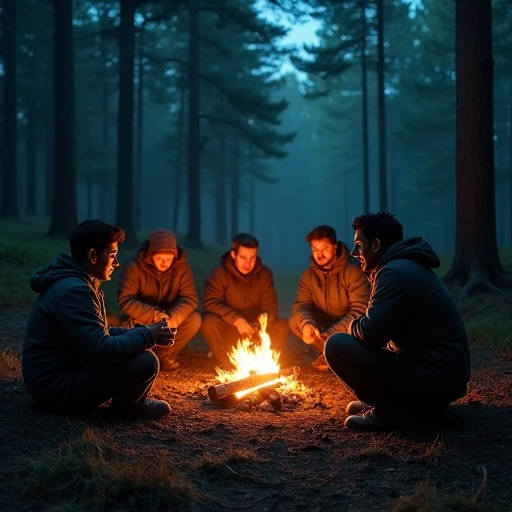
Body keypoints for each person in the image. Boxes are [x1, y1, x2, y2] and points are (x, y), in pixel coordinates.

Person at [325, 212, 471, 431]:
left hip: (436, 379)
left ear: (375, 245)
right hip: (440, 375)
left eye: (358, 244)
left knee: (336, 346)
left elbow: (372, 334)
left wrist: (352, 324)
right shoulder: (403, 266)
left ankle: (390, 411)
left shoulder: (395, 272)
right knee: (361, 345)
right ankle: (391, 401)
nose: (354, 253)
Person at [22, 220, 174, 420]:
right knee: (146, 361)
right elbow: (102, 351)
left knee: (136, 346)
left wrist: (142, 330)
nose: (117, 262)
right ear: (93, 255)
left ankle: (128, 402)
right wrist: (147, 335)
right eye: (112, 256)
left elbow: (98, 332)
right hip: (55, 388)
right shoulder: (75, 291)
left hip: (59, 375)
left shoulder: (79, 282)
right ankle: (130, 407)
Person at [200, 233, 289, 369]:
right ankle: (225, 361)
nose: (248, 264)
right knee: (209, 322)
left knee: (282, 325)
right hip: (229, 325)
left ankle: (264, 362)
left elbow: (270, 306)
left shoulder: (264, 274)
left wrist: (261, 324)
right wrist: (236, 320)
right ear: (233, 255)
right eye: (243, 258)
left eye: (252, 258)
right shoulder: (220, 273)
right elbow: (211, 302)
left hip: (255, 328)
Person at [117, 229, 201, 371]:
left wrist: (174, 317)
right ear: (151, 255)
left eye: (168, 259)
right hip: (143, 317)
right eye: (160, 258)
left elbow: (189, 298)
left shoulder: (181, 268)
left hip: (170, 317)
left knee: (194, 319)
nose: (164, 263)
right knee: (128, 327)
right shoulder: (134, 265)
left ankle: (165, 354)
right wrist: (154, 315)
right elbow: (125, 299)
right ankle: (142, 355)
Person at [288, 225, 370, 371]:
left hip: (348, 327)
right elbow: (301, 305)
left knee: (363, 325)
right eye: (315, 249)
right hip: (323, 327)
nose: (319, 255)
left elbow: (361, 309)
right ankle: (327, 353)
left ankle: (341, 353)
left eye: (325, 248)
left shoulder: (353, 271)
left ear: (335, 247)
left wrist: (333, 332)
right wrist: (307, 324)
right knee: (295, 321)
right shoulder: (308, 276)